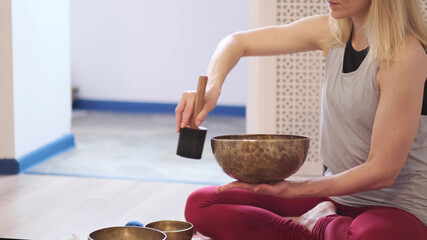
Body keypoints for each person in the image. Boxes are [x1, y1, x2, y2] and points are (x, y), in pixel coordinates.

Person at [175, 0, 427, 239]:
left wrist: (293, 189)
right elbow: (236, 42)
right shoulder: (333, 32)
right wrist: (213, 87)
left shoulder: (405, 54)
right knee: (201, 203)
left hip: (398, 207)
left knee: (371, 236)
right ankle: (322, 226)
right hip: (336, 196)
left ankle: (316, 223)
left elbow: (382, 171)